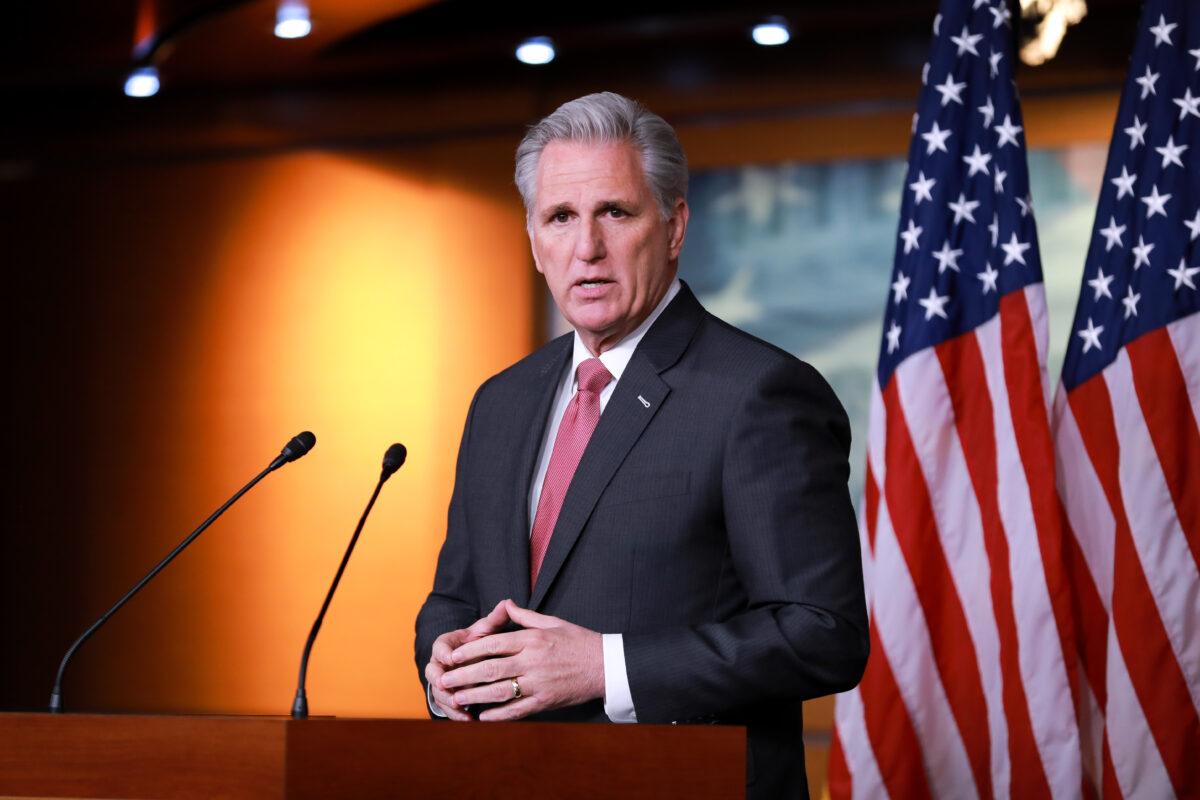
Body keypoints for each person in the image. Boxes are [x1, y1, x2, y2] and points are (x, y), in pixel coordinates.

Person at [414, 91, 868, 799]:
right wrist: (444, 669)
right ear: (535, 242)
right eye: (560, 218)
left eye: (615, 213)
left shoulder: (760, 392)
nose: (586, 248)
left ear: (675, 224)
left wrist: (605, 667)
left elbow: (823, 633)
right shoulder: (499, 402)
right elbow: (454, 598)